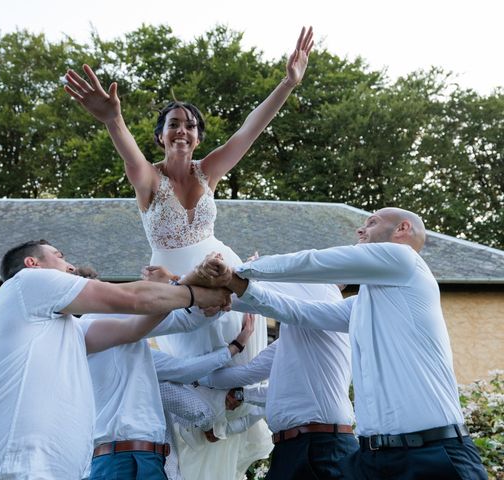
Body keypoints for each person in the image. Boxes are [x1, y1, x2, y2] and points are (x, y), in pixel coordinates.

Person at [63, 27, 313, 477]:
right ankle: (199, 451)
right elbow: (126, 153)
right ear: (160, 136)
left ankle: (235, 431)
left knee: (235, 372)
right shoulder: (149, 180)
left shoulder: (209, 170)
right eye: (174, 124)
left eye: (190, 125)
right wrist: (112, 118)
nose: (183, 130)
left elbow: (249, 131)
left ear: (197, 137)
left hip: (224, 271)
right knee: (198, 380)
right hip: (181, 291)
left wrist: (288, 83)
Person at [196, 208, 488, 479]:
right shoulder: (358, 307)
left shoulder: (406, 260)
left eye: (371, 222)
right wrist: (237, 287)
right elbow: (296, 312)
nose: (360, 230)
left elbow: (314, 262)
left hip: (433, 452)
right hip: (373, 459)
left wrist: (243, 269)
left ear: (402, 228)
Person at [0, 240, 229, 480]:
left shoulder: (73, 330)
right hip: (12, 468)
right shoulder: (27, 283)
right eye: (60, 257)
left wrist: (189, 283)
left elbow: (134, 328)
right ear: (32, 262)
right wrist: (197, 293)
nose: (71, 266)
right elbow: (131, 299)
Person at [199, 280, 359, 480]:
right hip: (299, 446)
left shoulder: (322, 290)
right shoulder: (295, 336)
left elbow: (256, 297)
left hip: (319, 448)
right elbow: (250, 373)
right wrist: (196, 377)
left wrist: (200, 293)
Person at [85, 311, 254, 480]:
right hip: (140, 458)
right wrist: (235, 347)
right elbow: (185, 372)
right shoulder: (139, 355)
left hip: (100, 460)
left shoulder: (80, 356)